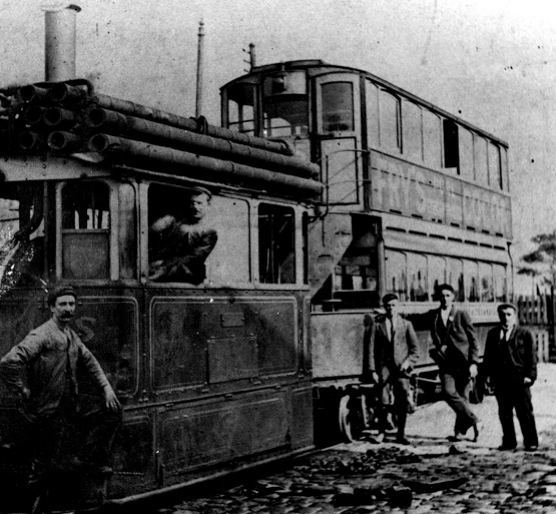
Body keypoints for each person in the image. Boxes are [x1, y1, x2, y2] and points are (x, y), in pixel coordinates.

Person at [0, 285, 122, 486]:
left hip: (69, 404)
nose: (68, 309)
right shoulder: (42, 335)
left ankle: (83, 460)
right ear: (52, 308)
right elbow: (8, 362)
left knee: (112, 411)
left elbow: (90, 362)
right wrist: (21, 388)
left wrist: (107, 389)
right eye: (63, 304)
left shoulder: (70, 334)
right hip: (48, 409)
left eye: (72, 304)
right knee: (44, 467)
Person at [429, 283, 480, 442]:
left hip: (463, 362)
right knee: (447, 392)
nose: (444, 298)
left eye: (448, 295)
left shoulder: (461, 314)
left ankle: (459, 432)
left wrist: (473, 362)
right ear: (438, 297)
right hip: (446, 362)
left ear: (453, 297)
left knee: (463, 396)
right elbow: (415, 318)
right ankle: (472, 419)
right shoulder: (435, 315)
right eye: (442, 295)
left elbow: (473, 339)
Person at [483, 303, 538, 451]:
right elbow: (488, 357)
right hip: (501, 380)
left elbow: (532, 357)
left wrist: (530, 375)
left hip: (520, 379)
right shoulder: (493, 334)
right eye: (502, 315)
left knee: (524, 411)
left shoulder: (525, 333)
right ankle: (509, 441)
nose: (505, 318)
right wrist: (486, 376)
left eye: (508, 314)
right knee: (505, 412)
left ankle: (531, 441)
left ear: (514, 316)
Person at [369, 293, 419, 445]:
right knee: (382, 401)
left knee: (402, 401)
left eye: (393, 305)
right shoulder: (377, 325)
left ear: (398, 306)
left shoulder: (406, 325)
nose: (391, 308)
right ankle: (381, 433)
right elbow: (371, 349)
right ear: (384, 307)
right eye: (388, 306)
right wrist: (372, 370)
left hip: (401, 370)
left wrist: (407, 363)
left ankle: (401, 434)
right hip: (384, 369)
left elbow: (415, 350)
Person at [149, 186, 218, 284]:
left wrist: (163, 264)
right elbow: (153, 231)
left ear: (208, 205)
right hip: (164, 267)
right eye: (192, 203)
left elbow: (194, 258)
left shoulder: (209, 232)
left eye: (199, 203)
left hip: (187, 275)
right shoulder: (175, 222)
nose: (195, 207)